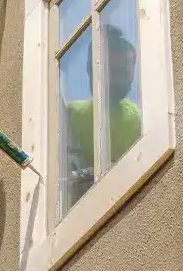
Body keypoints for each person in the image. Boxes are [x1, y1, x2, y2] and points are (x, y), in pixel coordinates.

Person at [60, 26, 142, 210]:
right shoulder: (69, 114)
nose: (122, 80)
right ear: (91, 69)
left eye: (126, 73)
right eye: (116, 71)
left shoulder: (136, 119)